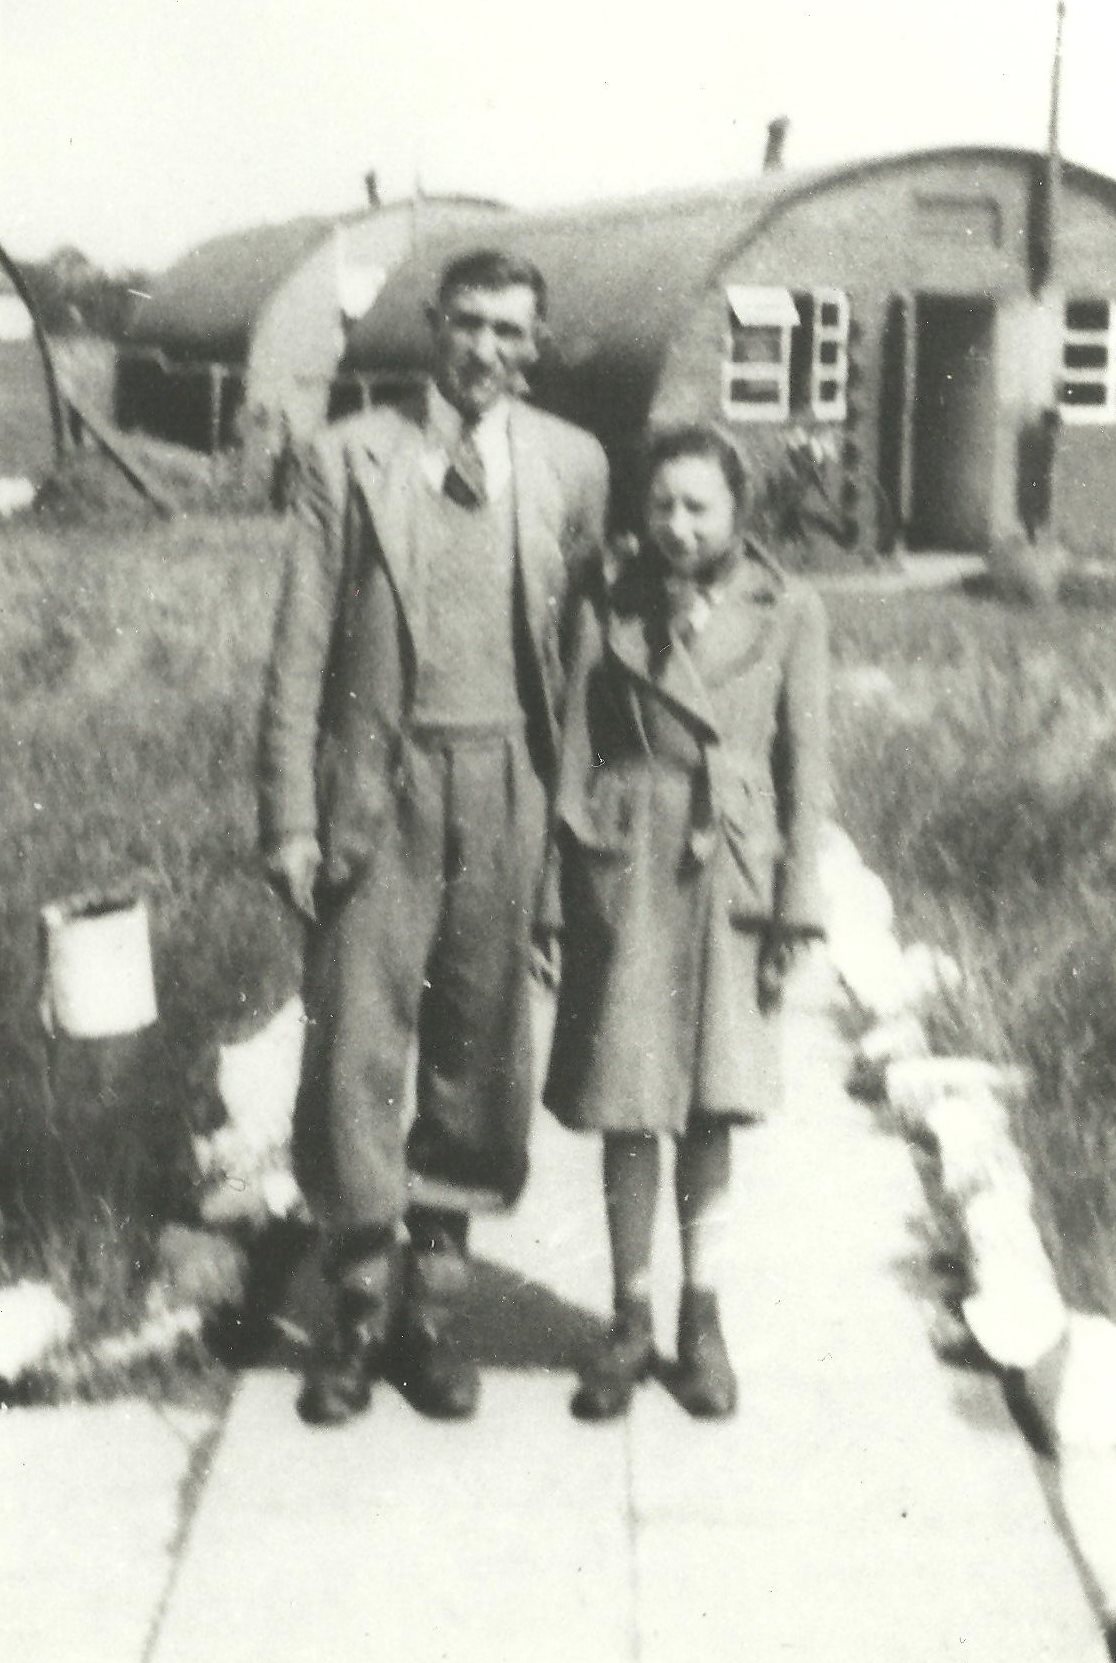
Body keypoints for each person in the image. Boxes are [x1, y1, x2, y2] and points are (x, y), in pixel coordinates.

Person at [259, 249, 609, 1425]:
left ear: (536, 343)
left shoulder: (572, 463)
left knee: (478, 1052)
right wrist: (290, 818)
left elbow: (581, 663)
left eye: (511, 331)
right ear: (430, 325)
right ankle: (356, 1316)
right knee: (355, 1049)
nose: (487, 351)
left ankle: (433, 1320)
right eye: (468, 324)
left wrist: (569, 831)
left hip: (507, 783)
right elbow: (299, 651)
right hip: (378, 786)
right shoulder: (349, 456)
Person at [542, 423, 828, 1420]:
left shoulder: (789, 608)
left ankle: (701, 1320)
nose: (677, 524)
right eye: (661, 503)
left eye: (699, 506)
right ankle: (628, 1319)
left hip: (728, 867)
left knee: (712, 1103)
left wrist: (797, 905)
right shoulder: (610, 600)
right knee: (628, 1101)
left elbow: (808, 767)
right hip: (627, 864)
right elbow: (574, 745)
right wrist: (555, 892)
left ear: (739, 511)